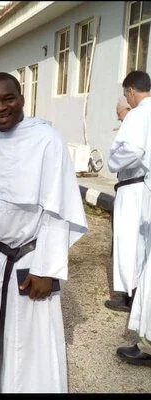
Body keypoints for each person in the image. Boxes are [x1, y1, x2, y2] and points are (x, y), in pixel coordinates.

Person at [0, 72, 88, 393]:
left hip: (30, 260)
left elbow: (57, 208)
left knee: (29, 347)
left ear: (22, 99)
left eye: (8, 99)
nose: (0, 108)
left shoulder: (47, 141)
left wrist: (46, 270)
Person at [113, 70, 151, 366]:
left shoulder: (139, 115)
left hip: (137, 187)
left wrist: (112, 158)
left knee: (132, 246)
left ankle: (147, 343)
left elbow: (133, 150)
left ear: (130, 91)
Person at [106, 95, 137, 313]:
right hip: (131, 188)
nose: (120, 120)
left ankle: (130, 296)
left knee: (128, 243)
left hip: (133, 190)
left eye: (121, 115)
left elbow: (127, 155)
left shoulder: (136, 123)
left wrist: (114, 156)